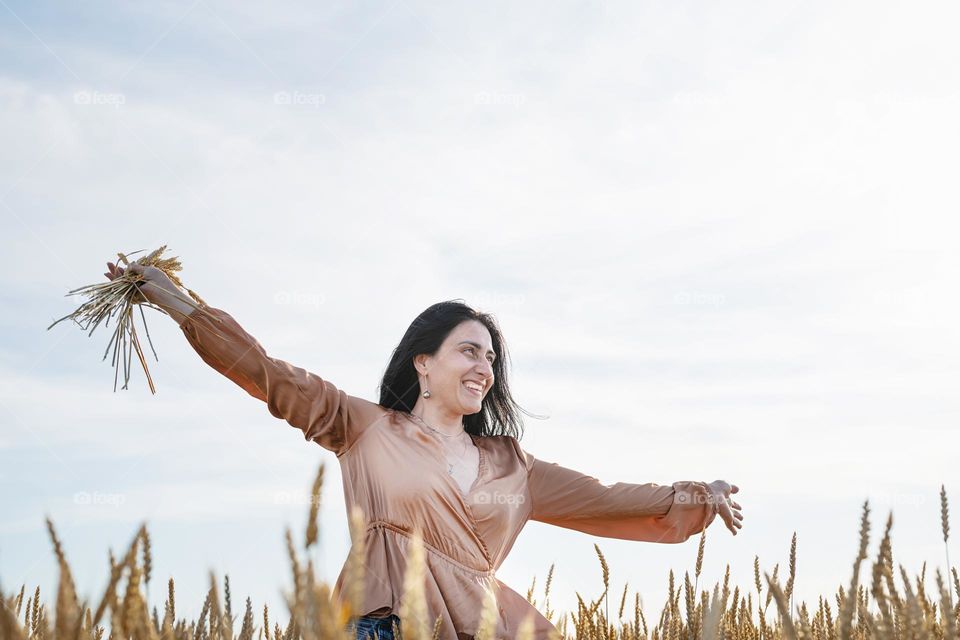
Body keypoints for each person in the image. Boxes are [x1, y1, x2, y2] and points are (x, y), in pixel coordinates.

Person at [104, 261, 744, 640]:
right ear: (424, 363)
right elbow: (265, 374)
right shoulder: (364, 427)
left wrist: (700, 496)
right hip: (383, 624)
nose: (484, 368)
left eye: (490, 358)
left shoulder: (514, 467)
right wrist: (169, 295)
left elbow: (607, 500)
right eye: (469, 351)